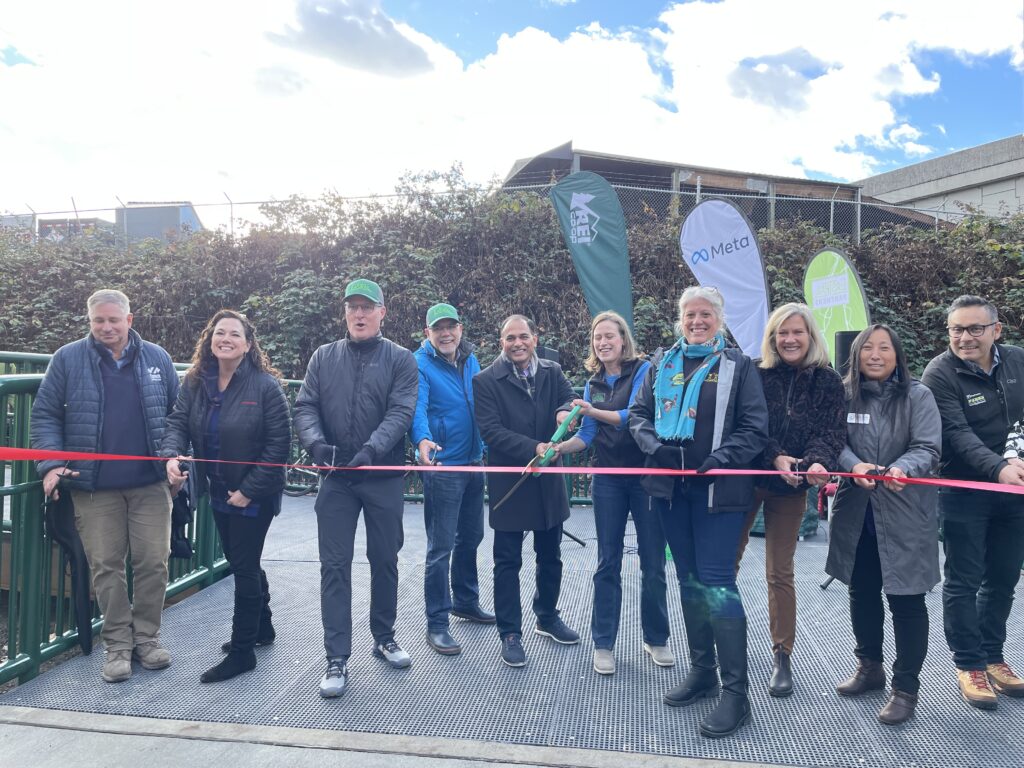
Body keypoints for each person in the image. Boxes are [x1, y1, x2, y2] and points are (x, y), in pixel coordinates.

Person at [629, 286, 767, 739]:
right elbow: (638, 415)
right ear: (680, 319)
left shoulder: (739, 366)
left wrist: (720, 460)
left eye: (705, 314)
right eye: (690, 315)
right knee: (688, 580)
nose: (697, 321)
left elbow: (754, 428)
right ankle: (703, 671)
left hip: (718, 491)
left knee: (717, 582)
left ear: (719, 320)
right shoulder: (659, 364)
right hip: (670, 491)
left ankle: (737, 694)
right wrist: (654, 448)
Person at [30, 289, 179, 683]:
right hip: (93, 486)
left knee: (153, 562)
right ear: (90, 321)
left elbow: (177, 417)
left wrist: (176, 460)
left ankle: (146, 639)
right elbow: (45, 415)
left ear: (130, 320)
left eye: (114, 320)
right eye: (99, 321)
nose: (107, 327)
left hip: (149, 484)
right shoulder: (67, 358)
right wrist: (51, 466)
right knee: (106, 567)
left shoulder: (158, 358)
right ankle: (116, 645)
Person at [294, 278, 418, 698]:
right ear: (345, 313)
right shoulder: (323, 356)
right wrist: (314, 443)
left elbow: (402, 411)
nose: (360, 314)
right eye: (353, 307)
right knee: (334, 566)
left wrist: (372, 449)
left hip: (381, 477)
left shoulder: (401, 358)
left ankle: (384, 636)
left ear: (383, 312)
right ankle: (336, 657)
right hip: (336, 481)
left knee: (385, 559)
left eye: (368, 307)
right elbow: (306, 405)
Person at [162, 310, 291, 683]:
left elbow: (278, 445)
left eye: (235, 334)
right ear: (210, 339)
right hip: (218, 490)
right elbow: (177, 422)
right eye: (220, 332)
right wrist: (172, 456)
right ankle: (263, 628)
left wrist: (249, 491)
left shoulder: (265, 387)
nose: (226, 339)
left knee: (245, 566)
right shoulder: (196, 382)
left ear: (248, 345)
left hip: (255, 494)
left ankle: (242, 651)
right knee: (239, 560)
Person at [825, 325, 941, 725]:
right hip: (858, 512)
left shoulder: (919, 395)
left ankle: (906, 688)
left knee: (907, 600)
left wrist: (901, 469)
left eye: (884, 347)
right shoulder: (843, 394)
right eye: (867, 348)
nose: (875, 355)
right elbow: (832, 440)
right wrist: (852, 465)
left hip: (905, 511)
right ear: (856, 355)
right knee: (863, 592)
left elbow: (927, 446)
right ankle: (869, 667)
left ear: (897, 354)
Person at [735, 303, 846, 697]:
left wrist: (815, 462)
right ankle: (724, 647)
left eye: (797, 332)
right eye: (782, 333)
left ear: (810, 335)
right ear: (771, 337)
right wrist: (774, 455)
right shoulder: (755, 372)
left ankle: (782, 655)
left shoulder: (829, 381)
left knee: (780, 572)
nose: (789, 339)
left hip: (792, 487)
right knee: (725, 563)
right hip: (747, 480)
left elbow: (831, 432)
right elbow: (748, 423)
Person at [555, 311, 672, 676]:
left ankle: (656, 638)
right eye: (597, 337)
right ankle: (603, 643)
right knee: (608, 562)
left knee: (653, 563)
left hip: (645, 478)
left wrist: (592, 410)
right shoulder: (592, 384)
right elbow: (587, 436)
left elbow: (631, 417)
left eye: (609, 336)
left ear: (623, 339)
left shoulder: (643, 371)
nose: (602, 342)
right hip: (607, 481)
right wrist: (557, 449)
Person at [921, 295, 1024, 709]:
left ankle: (994, 655)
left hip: (1014, 490)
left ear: (996, 330)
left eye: (974, 329)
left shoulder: (1017, 361)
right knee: (963, 580)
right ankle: (968, 663)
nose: (964, 338)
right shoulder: (939, 373)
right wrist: (999, 467)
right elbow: (956, 435)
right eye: (957, 330)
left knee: (1003, 578)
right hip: (965, 491)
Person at [473, 314, 579, 668]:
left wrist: (565, 412)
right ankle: (510, 633)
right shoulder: (485, 380)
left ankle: (546, 617)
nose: (517, 343)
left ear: (536, 337)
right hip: (510, 483)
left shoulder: (553, 370)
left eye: (523, 337)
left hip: (548, 483)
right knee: (507, 562)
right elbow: (490, 430)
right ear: (500, 342)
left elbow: (567, 399)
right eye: (509, 338)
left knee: (550, 556)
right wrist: (534, 447)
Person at [411, 302, 494, 656]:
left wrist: (490, 443)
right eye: (438, 328)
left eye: (451, 327)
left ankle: (465, 601)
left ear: (460, 328)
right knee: (440, 546)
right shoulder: (419, 363)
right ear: (427, 333)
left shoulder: (470, 358)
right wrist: (421, 440)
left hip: (475, 460)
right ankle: (438, 621)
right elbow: (417, 407)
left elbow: (480, 403)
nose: (446, 333)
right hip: (444, 463)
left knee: (472, 535)